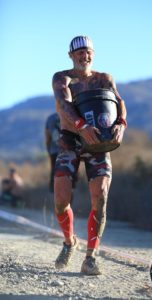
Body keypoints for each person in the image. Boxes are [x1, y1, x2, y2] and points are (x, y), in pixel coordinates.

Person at [52, 35, 127, 275]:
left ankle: (91, 257)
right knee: (61, 201)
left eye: (88, 52)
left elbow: (119, 100)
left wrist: (122, 123)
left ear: (93, 54)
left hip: (98, 142)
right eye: (80, 52)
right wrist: (81, 125)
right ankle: (69, 242)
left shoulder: (104, 78)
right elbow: (64, 104)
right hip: (71, 139)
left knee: (101, 195)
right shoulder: (62, 77)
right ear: (71, 55)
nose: (85, 56)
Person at [45, 112, 60, 193]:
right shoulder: (72, 114)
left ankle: (55, 193)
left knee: (54, 173)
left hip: (54, 151)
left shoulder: (50, 118)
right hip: (70, 150)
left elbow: (47, 137)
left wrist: (49, 149)